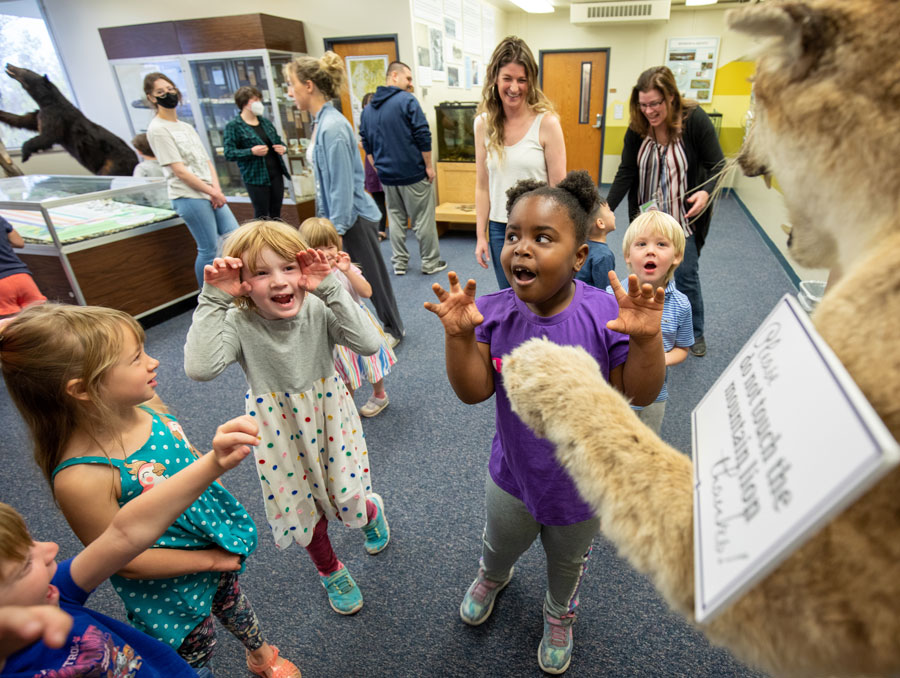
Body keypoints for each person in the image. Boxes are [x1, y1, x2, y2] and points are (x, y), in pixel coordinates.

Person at [424, 170, 665, 675]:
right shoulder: (490, 313)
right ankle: (493, 576)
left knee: (567, 562)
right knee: (499, 542)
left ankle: (559, 613)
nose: (521, 249)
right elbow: (473, 393)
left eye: (542, 238)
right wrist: (459, 340)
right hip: (512, 475)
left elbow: (638, 392)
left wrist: (645, 341)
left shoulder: (605, 313)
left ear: (580, 258)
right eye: (513, 235)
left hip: (582, 487)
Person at [0, 303, 300, 678]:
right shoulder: (81, 476)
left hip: (212, 545)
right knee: (193, 649)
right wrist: (208, 560)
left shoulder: (147, 405)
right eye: (136, 358)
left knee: (234, 604)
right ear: (82, 390)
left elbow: (183, 463)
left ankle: (259, 653)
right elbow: (124, 556)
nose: (154, 361)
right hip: (169, 590)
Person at [183, 219, 391, 617]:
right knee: (303, 509)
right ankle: (330, 570)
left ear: (303, 269)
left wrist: (330, 285)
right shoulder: (239, 321)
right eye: (261, 273)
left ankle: (370, 513)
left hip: (329, 418)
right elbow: (201, 367)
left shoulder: (318, 306)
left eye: (288, 267)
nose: (279, 282)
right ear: (242, 282)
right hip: (278, 430)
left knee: (348, 495)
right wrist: (212, 300)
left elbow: (367, 343)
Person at [283, 52, 404, 346]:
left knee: (369, 276)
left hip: (350, 218)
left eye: (291, 84)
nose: (289, 91)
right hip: (337, 217)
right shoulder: (322, 122)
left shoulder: (332, 126)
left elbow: (340, 185)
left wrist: (332, 232)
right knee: (347, 276)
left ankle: (393, 330)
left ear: (309, 85)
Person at [606, 65, 724, 357]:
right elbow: (627, 171)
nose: (649, 111)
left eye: (655, 104)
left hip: (682, 220)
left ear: (671, 97)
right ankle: (645, 325)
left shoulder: (694, 120)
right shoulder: (638, 126)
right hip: (646, 218)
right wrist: (606, 208)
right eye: (643, 104)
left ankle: (693, 332)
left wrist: (705, 191)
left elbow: (718, 164)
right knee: (645, 274)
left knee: (685, 275)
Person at [474, 36, 566, 290]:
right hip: (499, 229)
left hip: (538, 228)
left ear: (530, 82)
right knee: (509, 298)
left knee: (538, 297)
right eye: (508, 78)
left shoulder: (547, 123)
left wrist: (558, 239)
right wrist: (481, 235)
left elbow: (559, 190)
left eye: (522, 80)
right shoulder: (482, 124)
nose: (514, 87)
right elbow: (482, 186)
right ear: (495, 78)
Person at [144, 72, 239, 289]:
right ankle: (207, 298)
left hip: (209, 192)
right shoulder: (158, 129)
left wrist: (215, 189)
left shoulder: (185, 126)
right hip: (188, 195)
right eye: (160, 92)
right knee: (209, 248)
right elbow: (180, 171)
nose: (168, 94)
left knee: (234, 238)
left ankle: (234, 288)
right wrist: (211, 193)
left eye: (170, 89)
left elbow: (206, 161)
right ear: (151, 97)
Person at [299, 217, 396, 417]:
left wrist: (347, 271)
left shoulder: (346, 267)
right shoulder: (305, 275)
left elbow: (367, 292)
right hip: (329, 328)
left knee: (370, 362)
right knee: (342, 371)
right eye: (317, 248)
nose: (325, 253)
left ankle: (379, 394)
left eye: (329, 246)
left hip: (356, 322)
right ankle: (348, 410)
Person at [359, 61, 447, 276]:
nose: (410, 83)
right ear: (394, 76)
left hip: (387, 177)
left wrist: (378, 169)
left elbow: (366, 144)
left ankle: (399, 263)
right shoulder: (407, 101)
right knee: (423, 220)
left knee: (396, 219)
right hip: (412, 173)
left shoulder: (368, 109)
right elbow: (423, 135)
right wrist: (428, 167)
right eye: (408, 78)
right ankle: (430, 262)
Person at [615, 211, 693, 435]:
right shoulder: (611, 295)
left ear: (676, 256)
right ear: (627, 255)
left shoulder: (681, 304)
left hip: (655, 393)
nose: (650, 250)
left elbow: (682, 349)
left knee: (647, 442)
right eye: (641, 244)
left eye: (661, 244)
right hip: (614, 390)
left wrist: (657, 360)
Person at [223, 86, 290, 219]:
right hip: (256, 177)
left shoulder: (265, 122)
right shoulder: (234, 126)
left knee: (276, 212)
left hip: (276, 173)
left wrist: (283, 148)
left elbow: (278, 141)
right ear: (244, 103)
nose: (259, 103)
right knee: (262, 214)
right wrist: (251, 152)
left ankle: (278, 239)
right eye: (255, 100)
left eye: (259, 99)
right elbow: (229, 153)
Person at [0, 216, 45, 318]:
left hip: (1, 285)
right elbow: (19, 242)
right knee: (43, 319)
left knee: (11, 328)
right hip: (21, 277)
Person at [360, 92, 388, 241]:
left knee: (393, 201)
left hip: (387, 163)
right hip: (373, 166)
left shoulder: (384, 122)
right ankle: (380, 230)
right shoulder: (364, 124)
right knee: (378, 199)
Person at [574, 193, 616, 289]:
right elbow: (605, 291)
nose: (613, 213)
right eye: (609, 210)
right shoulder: (604, 255)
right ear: (600, 223)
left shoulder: (579, 247)